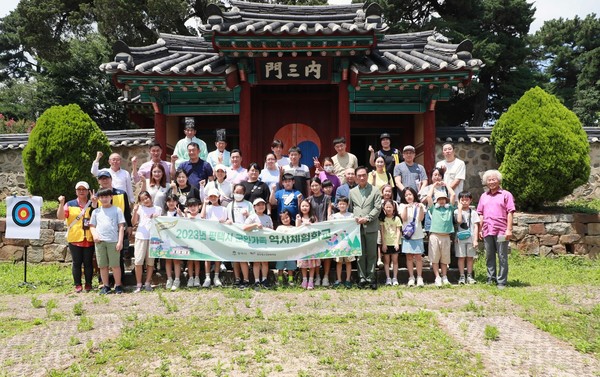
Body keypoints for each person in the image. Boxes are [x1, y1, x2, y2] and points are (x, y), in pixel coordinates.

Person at [477, 170, 515, 289]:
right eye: (489, 180)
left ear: (499, 180)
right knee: (489, 255)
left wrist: (509, 229)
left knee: (502, 256)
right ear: (486, 182)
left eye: (494, 179)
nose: (491, 182)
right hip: (487, 229)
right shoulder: (484, 196)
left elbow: (510, 212)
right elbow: (480, 214)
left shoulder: (506, 194)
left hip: (501, 230)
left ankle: (501, 281)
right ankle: (490, 278)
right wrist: (479, 229)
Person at [57, 181, 97, 293]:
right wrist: (61, 203)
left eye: (84, 189)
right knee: (76, 263)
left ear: (88, 191)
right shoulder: (69, 204)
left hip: (89, 237)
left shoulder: (93, 203)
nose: (81, 191)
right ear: (76, 191)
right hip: (75, 238)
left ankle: (88, 284)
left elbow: (96, 215)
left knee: (88, 262)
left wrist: (94, 203)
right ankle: (78, 284)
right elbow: (60, 217)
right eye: (79, 189)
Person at [349, 166, 382, 289]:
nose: (362, 177)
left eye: (364, 175)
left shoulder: (375, 190)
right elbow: (350, 208)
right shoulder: (352, 192)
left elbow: (378, 208)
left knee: (372, 253)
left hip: (371, 226)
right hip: (357, 227)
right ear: (356, 177)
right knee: (360, 254)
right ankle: (362, 278)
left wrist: (367, 218)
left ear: (367, 176)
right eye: (359, 176)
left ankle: (371, 277)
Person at [96, 169, 132, 279]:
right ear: (99, 181)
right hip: (104, 231)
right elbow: (93, 212)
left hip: (120, 228)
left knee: (119, 256)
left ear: (111, 179)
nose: (105, 180)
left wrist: (129, 225)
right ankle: (104, 281)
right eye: (102, 179)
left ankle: (120, 282)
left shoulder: (121, 193)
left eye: (106, 178)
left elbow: (126, 210)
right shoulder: (97, 195)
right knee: (103, 259)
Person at [90, 188, 126, 294]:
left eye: (106, 197)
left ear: (111, 197)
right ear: (99, 198)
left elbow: (121, 227)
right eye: (102, 197)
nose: (104, 199)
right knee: (102, 265)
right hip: (100, 242)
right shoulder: (96, 211)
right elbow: (92, 226)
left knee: (115, 265)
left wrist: (120, 241)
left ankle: (118, 285)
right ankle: (106, 286)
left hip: (113, 241)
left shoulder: (117, 210)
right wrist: (95, 235)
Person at [426, 182, 456, 287]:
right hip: (435, 235)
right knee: (434, 258)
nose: (442, 200)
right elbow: (428, 196)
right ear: (437, 201)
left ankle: (444, 276)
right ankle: (437, 277)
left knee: (445, 258)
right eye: (440, 199)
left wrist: (447, 184)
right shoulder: (434, 209)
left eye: (443, 199)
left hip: (446, 236)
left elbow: (453, 195)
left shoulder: (450, 209)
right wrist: (433, 186)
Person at [131, 191, 162, 293]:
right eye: (143, 199)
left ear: (150, 197)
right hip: (141, 236)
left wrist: (157, 216)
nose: (146, 200)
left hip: (153, 238)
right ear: (140, 201)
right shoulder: (140, 208)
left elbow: (161, 222)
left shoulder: (158, 209)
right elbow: (134, 222)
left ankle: (148, 282)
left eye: (147, 198)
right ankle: (139, 283)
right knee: (138, 261)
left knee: (150, 262)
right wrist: (135, 211)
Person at [226, 184, 254, 288]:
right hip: (234, 233)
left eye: (240, 192)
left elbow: (254, 216)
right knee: (235, 258)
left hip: (245, 233)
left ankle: (246, 279)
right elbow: (226, 217)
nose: (238, 194)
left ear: (244, 193)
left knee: (243, 257)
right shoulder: (230, 205)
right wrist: (227, 221)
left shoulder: (248, 204)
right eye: (236, 192)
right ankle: (237, 278)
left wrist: (248, 215)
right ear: (233, 192)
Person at [306, 177, 332, 286]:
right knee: (316, 254)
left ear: (320, 186)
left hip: (325, 229)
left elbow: (329, 212)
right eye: (312, 186)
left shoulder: (327, 198)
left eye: (316, 185)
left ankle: (326, 276)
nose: (314, 187)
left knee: (327, 254)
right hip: (314, 231)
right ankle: (317, 276)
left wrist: (330, 220)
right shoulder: (309, 199)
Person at [243, 198, 274, 288]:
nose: (261, 206)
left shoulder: (268, 217)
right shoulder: (252, 217)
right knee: (256, 262)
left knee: (265, 262)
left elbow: (272, 230)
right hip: (255, 243)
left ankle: (264, 279)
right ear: (254, 207)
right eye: (258, 205)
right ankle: (257, 281)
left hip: (265, 243)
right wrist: (255, 225)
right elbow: (244, 228)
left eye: (262, 204)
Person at [200, 188, 227, 287]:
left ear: (218, 197)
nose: (213, 198)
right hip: (208, 234)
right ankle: (207, 277)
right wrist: (205, 203)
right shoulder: (207, 207)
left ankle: (216, 276)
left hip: (219, 235)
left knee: (217, 256)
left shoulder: (224, 209)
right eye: (211, 196)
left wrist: (224, 221)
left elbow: (226, 221)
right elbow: (202, 216)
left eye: (215, 196)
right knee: (207, 257)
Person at [399, 187, 426, 287]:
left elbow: (420, 219)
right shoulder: (402, 206)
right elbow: (404, 218)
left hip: (418, 234)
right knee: (409, 257)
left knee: (418, 257)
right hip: (407, 236)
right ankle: (411, 277)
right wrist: (406, 207)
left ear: (414, 195)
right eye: (406, 195)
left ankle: (419, 277)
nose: (408, 197)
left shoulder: (420, 205)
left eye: (410, 194)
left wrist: (421, 208)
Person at [455, 191, 481, 285]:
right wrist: (460, 209)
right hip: (460, 239)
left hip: (471, 238)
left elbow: (476, 226)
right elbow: (459, 221)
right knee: (461, 257)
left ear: (471, 200)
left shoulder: (473, 213)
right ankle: (462, 276)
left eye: (467, 200)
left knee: (470, 257)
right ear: (459, 201)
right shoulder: (456, 211)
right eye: (462, 200)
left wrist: (475, 240)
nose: (464, 202)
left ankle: (469, 275)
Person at [329, 196, 354, 289]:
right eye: (340, 204)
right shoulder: (335, 216)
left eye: (344, 204)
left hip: (348, 243)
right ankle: (339, 280)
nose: (342, 205)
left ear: (347, 205)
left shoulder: (351, 215)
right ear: (337, 205)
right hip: (338, 243)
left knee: (348, 262)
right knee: (338, 262)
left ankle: (348, 280)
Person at [296, 198, 319, 289]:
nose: (304, 208)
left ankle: (311, 280)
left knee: (312, 263)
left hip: (312, 245)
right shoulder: (299, 217)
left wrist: (311, 226)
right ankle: (304, 279)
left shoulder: (313, 218)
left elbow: (317, 229)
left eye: (306, 206)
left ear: (310, 207)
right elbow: (296, 229)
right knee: (303, 263)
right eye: (303, 206)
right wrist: (300, 223)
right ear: (300, 207)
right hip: (302, 245)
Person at [164, 194, 183, 290]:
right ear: (166, 202)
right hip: (166, 240)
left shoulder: (179, 213)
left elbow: (186, 223)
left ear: (177, 202)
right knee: (167, 260)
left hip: (177, 240)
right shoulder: (163, 214)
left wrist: (181, 215)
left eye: (173, 201)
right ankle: (169, 279)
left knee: (176, 260)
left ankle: (177, 279)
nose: (171, 203)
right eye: (169, 201)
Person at [380, 199, 401, 286]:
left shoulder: (397, 218)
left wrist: (396, 242)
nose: (388, 209)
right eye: (387, 207)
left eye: (390, 207)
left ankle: (395, 277)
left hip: (395, 242)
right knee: (386, 261)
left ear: (394, 208)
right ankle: (388, 278)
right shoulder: (382, 219)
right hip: (386, 243)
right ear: (384, 208)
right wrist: (383, 243)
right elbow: (382, 231)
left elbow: (398, 231)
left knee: (395, 261)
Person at [274, 210, 297, 286]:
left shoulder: (294, 228)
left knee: (290, 267)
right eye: (283, 219)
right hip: (281, 251)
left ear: (290, 217)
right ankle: (279, 280)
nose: (285, 220)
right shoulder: (279, 228)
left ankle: (290, 280)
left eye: (287, 217)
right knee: (280, 267)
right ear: (280, 220)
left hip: (291, 251)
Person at [185, 197, 202, 288]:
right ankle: (190, 277)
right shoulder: (186, 216)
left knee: (197, 260)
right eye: (190, 206)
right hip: (188, 241)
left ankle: (197, 278)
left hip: (199, 242)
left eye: (194, 206)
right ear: (188, 207)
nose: (192, 208)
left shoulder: (201, 216)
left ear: (199, 206)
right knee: (190, 260)